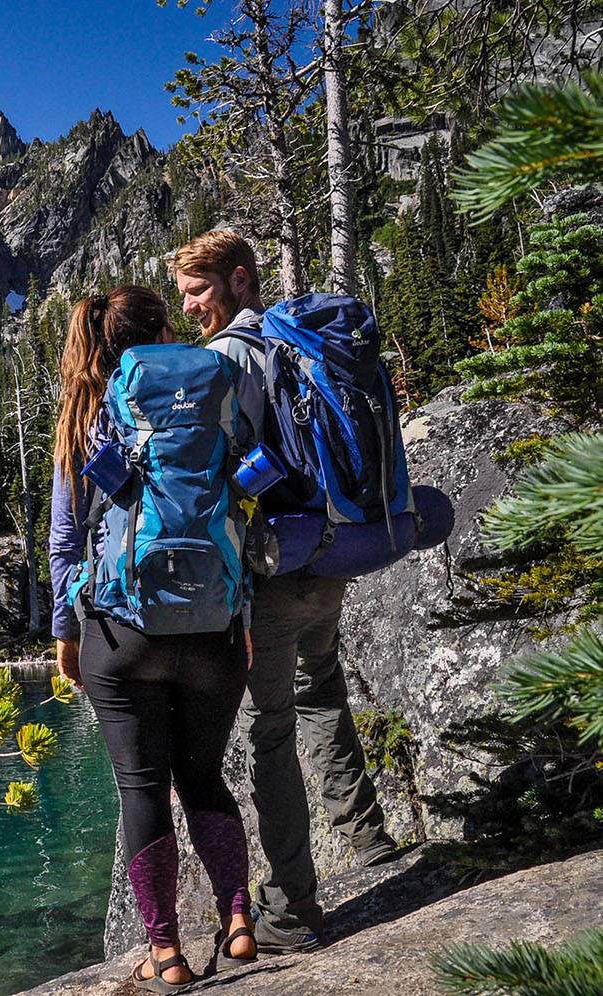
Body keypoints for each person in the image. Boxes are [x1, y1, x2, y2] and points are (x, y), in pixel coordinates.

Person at [173, 230, 400, 954]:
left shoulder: (230, 357)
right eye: (183, 295)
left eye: (199, 291)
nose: (190, 309)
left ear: (239, 280)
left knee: (269, 730)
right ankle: (369, 840)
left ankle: (291, 911)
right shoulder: (291, 342)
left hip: (273, 568)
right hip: (329, 552)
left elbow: (212, 466)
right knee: (322, 690)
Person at [50, 288, 257, 991]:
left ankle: (164, 952)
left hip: (122, 631)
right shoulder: (205, 401)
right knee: (204, 776)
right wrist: (243, 618)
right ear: (163, 334)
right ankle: (238, 922)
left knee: (143, 788)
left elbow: (63, 542)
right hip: (215, 625)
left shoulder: (86, 418)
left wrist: (65, 634)